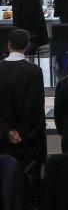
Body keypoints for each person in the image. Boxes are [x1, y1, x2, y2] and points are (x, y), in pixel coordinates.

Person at [0, 29, 46, 170]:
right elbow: (36, 107)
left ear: (9, 45)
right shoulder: (34, 71)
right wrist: (21, 132)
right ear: (26, 46)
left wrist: (8, 130)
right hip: (29, 139)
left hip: (3, 136)